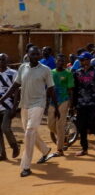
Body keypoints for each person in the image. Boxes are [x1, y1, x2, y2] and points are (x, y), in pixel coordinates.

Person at [0, 46, 57, 177]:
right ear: (28, 55)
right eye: (33, 54)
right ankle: (45, 149)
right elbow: (15, 86)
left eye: (38, 55)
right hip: (25, 105)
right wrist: (2, 99)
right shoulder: (22, 68)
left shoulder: (46, 70)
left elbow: (51, 88)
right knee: (29, 131)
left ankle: (26, 166)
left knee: (29, 133)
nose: (36, 56)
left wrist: (53, 105)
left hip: (39, 104)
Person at [72, 52, 95, 156]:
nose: (81, 62)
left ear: (89, 60)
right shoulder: (77, 72)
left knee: (91, 123)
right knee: (81, 126)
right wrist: (73, 104)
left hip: (93, 102)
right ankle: (84, 148)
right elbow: (75, 89)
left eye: (83, 59)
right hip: (81, 103)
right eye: (80, 60)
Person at [48, 54, 74, 157]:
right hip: (52, 101)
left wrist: (71, 105)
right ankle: (63, 137)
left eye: (62, 61)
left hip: (64, 100)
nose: (60, 63)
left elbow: (71, 90)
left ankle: (60, 149)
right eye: (59, 61)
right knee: (50, 124)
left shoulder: (68, 74)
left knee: (60, 124)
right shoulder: (51, 73)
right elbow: (48, 88)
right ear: (56, 62)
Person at [0, 53, 19, 161]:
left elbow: (16, 90)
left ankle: (14, 146)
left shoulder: (13, 73)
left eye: (3, 60)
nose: (1, 62)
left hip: (8, 105)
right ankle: (2, 154)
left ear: (7, 61)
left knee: (5, 128)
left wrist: (15, 107)